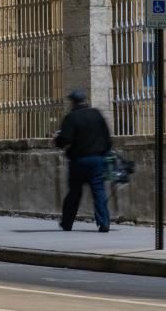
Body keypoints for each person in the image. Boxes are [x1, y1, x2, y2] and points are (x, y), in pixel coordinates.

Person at [54, 90, 112, 232]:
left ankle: (67, 223)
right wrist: (102, 154)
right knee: (98, 191)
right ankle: (104, 222)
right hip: (97, 160)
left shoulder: (71, 117)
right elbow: (107, 138)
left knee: (74, 193)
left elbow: (65, 139)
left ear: (73, 102)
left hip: (78, 161)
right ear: (85, 101)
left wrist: (57, 140)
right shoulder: (96, 114)